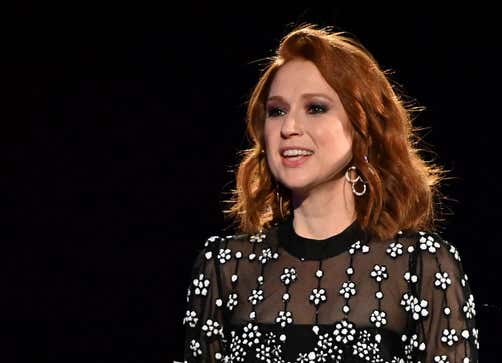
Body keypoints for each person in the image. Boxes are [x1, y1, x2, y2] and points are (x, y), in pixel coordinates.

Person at [181, 23, 479, 363]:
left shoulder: (420, 264)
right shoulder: (225, 267)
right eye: (277, 111)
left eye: (316, 108)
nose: (289, 128)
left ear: (361, 125)